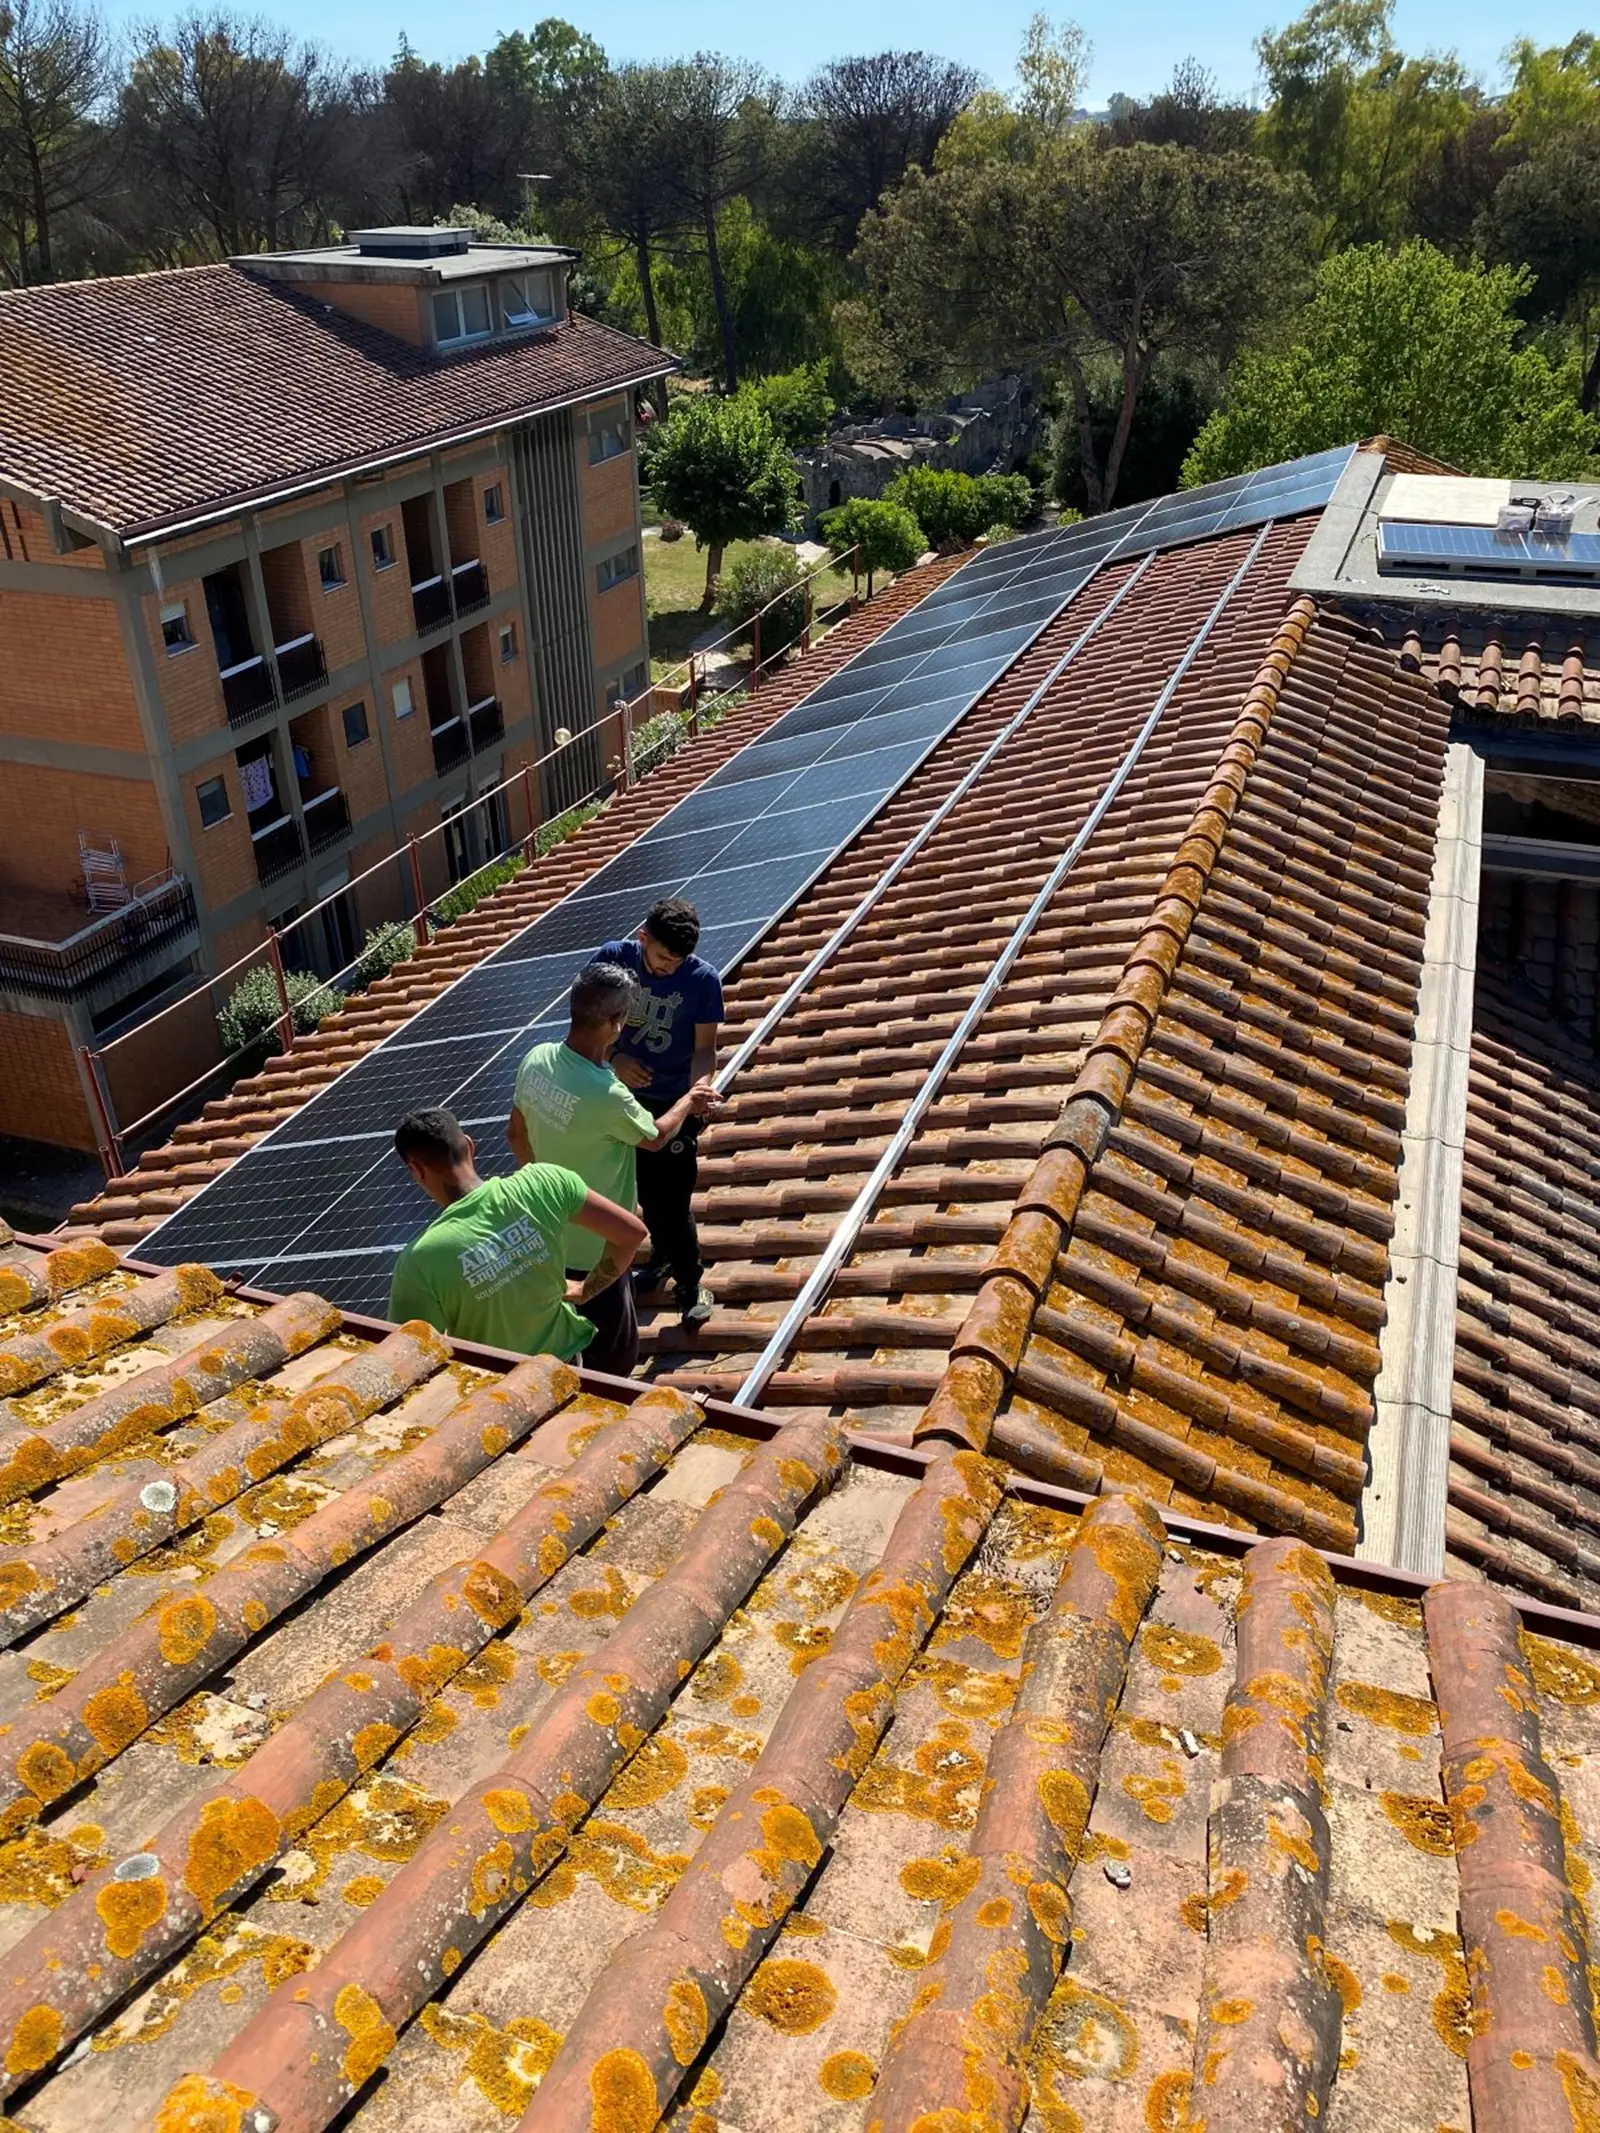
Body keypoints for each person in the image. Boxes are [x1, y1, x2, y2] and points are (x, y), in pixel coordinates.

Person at [507, 961, 717, 1372]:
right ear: (617, 1023)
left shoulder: (535, 1060)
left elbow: (515, 1133)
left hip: (547, 1235)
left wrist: (542, 1187)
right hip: (598, 1251)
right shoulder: (607, 1095)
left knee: (562, 1347)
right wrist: (689, 1101)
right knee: (615, 1359)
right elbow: (656, 1137)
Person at [388, 1106, 645, 1365]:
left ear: (416, 1170)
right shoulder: (546, 1182)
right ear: (469, 1145)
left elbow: (408, 1355)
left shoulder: (420, 1260)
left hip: (498, 1390)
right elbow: (632, 1235)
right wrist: (587, 1289)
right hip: (569, 1369)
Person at [598, 898, 724, 1325]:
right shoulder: (614, 959)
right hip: (618, 1098)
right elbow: (587, 1018)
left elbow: (705, 1048)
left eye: (676, 961)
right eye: (661, 957)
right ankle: (664, 1257)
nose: (668, 967)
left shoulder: (703, 981)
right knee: (641, 1192)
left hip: (674, 1103)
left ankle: (691, 1282)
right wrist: (613, 1056)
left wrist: (699, 1091)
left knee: (672, 1199)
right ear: (643, 938)